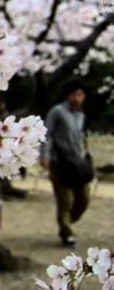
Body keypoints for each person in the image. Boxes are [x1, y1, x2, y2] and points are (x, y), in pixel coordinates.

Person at [42, 80, 93, 247]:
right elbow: (47, 134)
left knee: (84, 199)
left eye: (80, 95)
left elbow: (80, 137)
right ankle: (67, 233)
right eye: (74, 94)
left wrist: (86, 154)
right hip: (60, 162)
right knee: (65, 201)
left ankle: (66, 222)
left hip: (79, 162)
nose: (77, 98)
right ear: (68, 95)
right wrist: (45, 156)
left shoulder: (81, 115)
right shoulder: (57, 111)